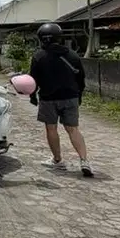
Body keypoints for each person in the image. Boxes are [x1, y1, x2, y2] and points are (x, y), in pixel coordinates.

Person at [29, 22, 93, 177]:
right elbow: (81, 79)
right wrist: (79, 96)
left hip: (48, 98)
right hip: (70, 97)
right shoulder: (72, 55)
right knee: (73, 129)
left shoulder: (38, 56)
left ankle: (57, 160)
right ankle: (84, 160)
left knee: (51, 128)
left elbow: (33, 81)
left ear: (41, 39)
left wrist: (32, 96)